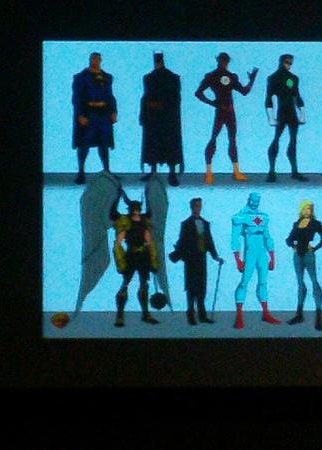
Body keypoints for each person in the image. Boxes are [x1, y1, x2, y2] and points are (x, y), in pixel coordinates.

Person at [195, 52, 258, 184]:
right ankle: (209, 172)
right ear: (219, 61)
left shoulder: (230, 76)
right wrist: (213, 103)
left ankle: (236, 171)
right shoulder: (212, 76)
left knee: (232, 140)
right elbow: (198, 93)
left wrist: (252, 80)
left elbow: (244, 91)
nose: (223, 63)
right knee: (214, 138)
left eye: (225, 61)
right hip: (221, 110)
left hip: (229, 111)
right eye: (222, 61)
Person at [169, 198, 224, 325]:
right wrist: (179, 253)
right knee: (191, 288)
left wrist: (216, 257)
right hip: (190, 259)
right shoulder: (186, 224)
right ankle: (190, 315)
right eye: (195, 206)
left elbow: (209, 242)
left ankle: (202, 315)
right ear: (191, 207)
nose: (197, 208)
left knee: (202, 287)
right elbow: (182, 241)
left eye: (199, 206)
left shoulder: (205, 223)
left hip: (201, 259)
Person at [231, 193, 280, 329]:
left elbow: (268, 237)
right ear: (249, 200)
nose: (255, 203)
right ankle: (239, 315)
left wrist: (272, 257)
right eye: (253, 201)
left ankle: (266, 312)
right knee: (244, 282)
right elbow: (235, 238)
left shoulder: (263, 216)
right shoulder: (240, 217)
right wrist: (238, 259)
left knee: (263, 282)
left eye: (257, 201)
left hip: (262, 253)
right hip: (250, 254)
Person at [111, 193, 159, 327]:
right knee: (125, 284)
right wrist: (120, 259)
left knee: (144, 285)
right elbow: (118, 242)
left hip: (143, 257)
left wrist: (153, 260)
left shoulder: (144, 222)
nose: (136, 212)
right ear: (131, 210)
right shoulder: (126, 222)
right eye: (134, 210)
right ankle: (120, 315)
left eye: (138, 210)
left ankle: (146, 314)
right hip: (131, 256)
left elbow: (149, 241)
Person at [72, 52, 117, 184]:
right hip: (88, 114)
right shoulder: (81, 77)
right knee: (84, 144)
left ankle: (107, 171)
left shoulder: (107, 77)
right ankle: (81, 172)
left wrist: (114, 111)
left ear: (100, 60)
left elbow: (110, 96)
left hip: (103, 114)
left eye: (97, 59)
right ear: (90, 60)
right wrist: (80, 114)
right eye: (93, 59)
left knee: (104, 144)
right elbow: (77, 98)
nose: (95, 61)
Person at [285, 200, 322, 330]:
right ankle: (299, 314)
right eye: (305, 208)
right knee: (300, 283)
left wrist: (315, 247)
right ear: (301, 210)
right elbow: (289, 239)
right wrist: (293, 245)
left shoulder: (315, 223)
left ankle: (318, 317)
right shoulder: (296, 223)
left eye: (309, 209)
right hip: (297, 255)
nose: (307, 211)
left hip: (308, 254)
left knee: (314, 281)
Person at [140, 52, 183, 187]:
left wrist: (161, 105)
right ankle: (154, 172)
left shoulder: (172, 78)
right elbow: (146, 97)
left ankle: (172, 173)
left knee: (170, 145)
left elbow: (175, 98)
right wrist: (144, 113)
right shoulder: (149, 78)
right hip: (153, 117)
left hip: (168, 118)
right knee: (153, 144)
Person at [265, 54, 308, 182]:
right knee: (277, 138)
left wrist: (302, 113)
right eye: (287, 62)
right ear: (282, 62)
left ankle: (294, 171)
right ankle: (271, 170)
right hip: (282, 112)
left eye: (290, 63)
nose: (289, 65)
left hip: (291, 113)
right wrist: (270, 116)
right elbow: (269, 98)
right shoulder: (274, 78)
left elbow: (297, 96)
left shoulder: (293, 78)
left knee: (293, 140)